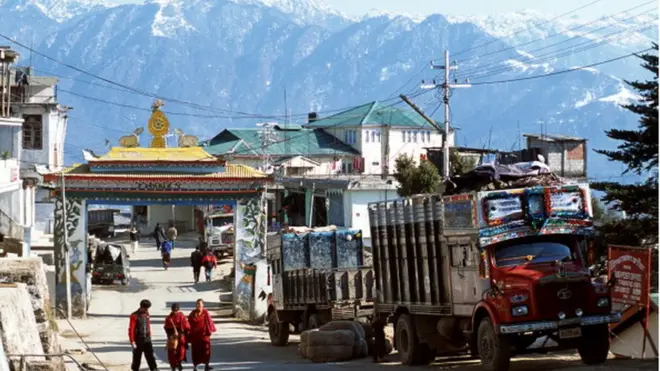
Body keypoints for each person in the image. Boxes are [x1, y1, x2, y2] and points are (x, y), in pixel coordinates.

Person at [128, 299, 158, 371]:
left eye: (147, 308)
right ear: (142, 307)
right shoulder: (134, 315)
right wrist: (132, 341)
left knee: (150, 356)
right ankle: (135, 369)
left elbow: (148, 325)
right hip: (138, 339)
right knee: (137, 357)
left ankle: (154, 369)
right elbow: (131, 329)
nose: (147, 310)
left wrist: (150, 335)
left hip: (147, 338)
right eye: (146, 308)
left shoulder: (147, 314)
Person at [188, 299, 216, 370]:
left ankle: (206, 365)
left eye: (199, 304)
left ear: (203, 305)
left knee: (206, 351)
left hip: (204, 336)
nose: (198, 305)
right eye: (197, 304)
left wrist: (209, 331)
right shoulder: (192, 313)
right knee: (195, 352)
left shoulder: (205, 313)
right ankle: (195, 366)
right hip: (195, 336)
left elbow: (209, 322)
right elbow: (188, 324)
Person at [164, 303, 190, 371]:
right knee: (172, 354)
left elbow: (187, 327)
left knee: (181, 352)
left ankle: (179, 363)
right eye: (174, 310)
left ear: (178, 310)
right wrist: (171, 335)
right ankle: (173, 367)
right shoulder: (169, 318)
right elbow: (166, 328)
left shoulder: (182, 316)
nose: (175, 311)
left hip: (181, 337)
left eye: (176, 310)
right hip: (172, 338)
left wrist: (185, 334)